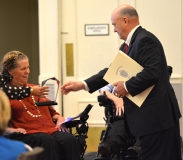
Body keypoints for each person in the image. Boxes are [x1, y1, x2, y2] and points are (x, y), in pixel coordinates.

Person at [61, 4, 182, 160]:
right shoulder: (129, 44)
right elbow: (111, 71)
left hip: (157, 117)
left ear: (125, 20)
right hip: (151, 118)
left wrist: (126, 86)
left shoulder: (145, 40)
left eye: (114, 24)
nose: (114, 30)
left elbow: (153, 73)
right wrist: (83, 84)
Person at [1, 50, 81, 160]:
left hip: (50, 130)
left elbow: (54, 113)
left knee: (69, 140)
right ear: (10, 71)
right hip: (26, 134)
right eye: (23, 69)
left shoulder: (36, 90)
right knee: (47, 140)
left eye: (28, 67)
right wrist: (10, 130)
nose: (27, 71)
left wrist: (59, 118)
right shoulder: (5, 94)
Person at [97, 84, 140, 158]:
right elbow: (103, 90)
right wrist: (116, 99)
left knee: (144, 123)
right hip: (121, 109)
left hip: (142, 111)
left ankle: (137, 147)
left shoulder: (145, 76)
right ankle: (108, 145)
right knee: (119, 125)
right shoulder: (117, 76)